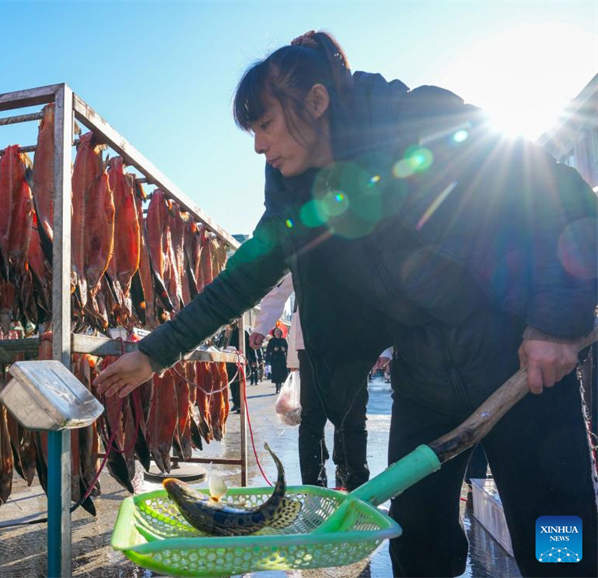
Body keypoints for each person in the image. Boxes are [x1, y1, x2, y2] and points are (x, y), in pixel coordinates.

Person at [95, 30, 598, 578]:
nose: (259, 146)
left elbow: (562, 195)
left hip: (519, 363)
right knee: (420, 538)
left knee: (558, 532)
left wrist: (554, 321)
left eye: (265, 124)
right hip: (423, 377)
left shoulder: (423, 121)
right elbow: (239, 282)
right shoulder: (300, 201)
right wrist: (154, 354)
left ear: (316, 101)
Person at [252, 273, 369, 489]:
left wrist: (385, 348)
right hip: (311, 343)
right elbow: (279, 290)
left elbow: (379, 292)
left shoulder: (364, 245)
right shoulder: (304, 244)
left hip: (356, 343)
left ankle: (356, 483)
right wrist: (261, 326)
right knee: (312, 418)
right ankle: (313, 487)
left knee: (353, 417)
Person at [265, 327, 289, 393]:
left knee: (282, 373)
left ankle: (280, 386)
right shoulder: (271, 341)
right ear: (274, 333)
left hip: (282, 358)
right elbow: (268, 350)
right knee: (276, 373)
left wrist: (285, 350)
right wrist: (273, 350)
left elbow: (287, 348)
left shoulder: (283, 340)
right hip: (275, 359)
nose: (277, 333)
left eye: (278, 331)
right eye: (276, 331)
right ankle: (277, 388)